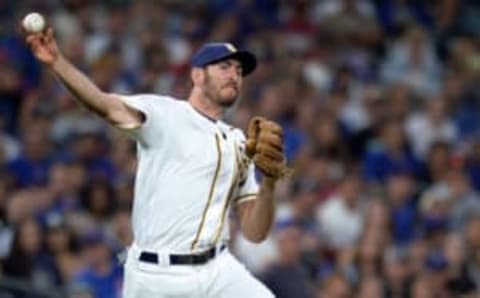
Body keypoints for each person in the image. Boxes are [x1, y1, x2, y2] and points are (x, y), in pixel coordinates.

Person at [23, 23, 287, 297]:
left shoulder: (239, 142)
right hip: (158, 276)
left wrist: (269, 184)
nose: (234, 75)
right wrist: (58, 63)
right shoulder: (165, 114)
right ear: (197, 75)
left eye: (239, 70)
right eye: (225, 67)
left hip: (218, 269)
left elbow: (255, 233)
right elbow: (102, 104)